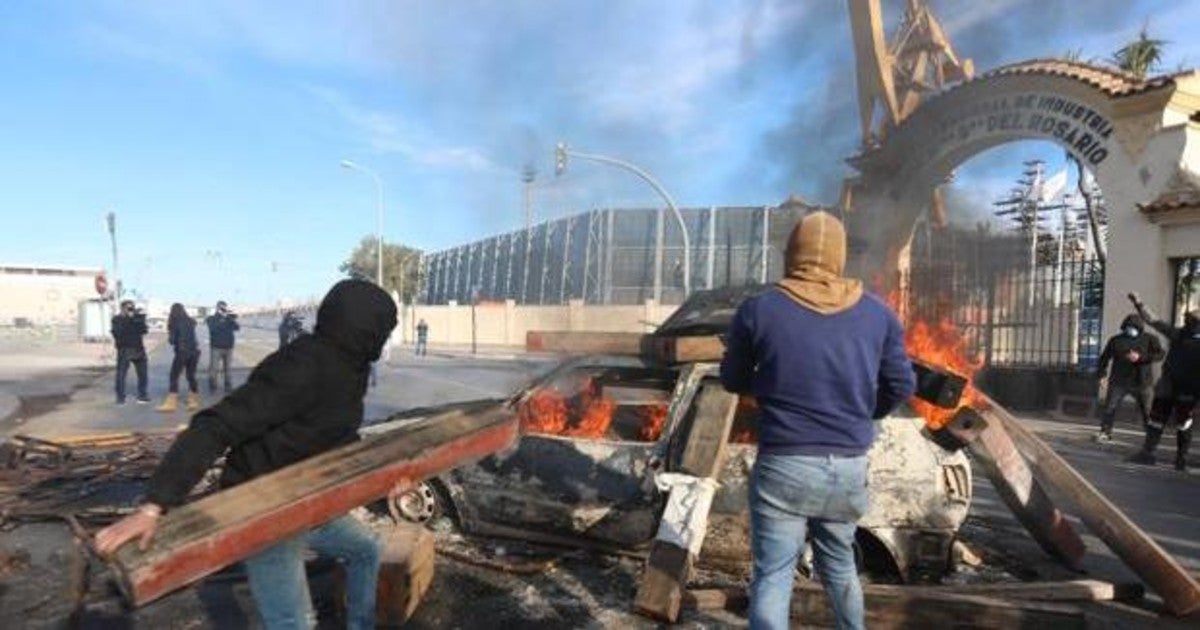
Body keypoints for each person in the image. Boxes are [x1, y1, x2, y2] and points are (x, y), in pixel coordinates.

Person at [95, 279, 407, 630]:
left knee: (365, 551)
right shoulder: (302, 366)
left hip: (311, 493)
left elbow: (337, 435)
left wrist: (380, 485)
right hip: (261, 504)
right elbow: (215, 425)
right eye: (382, 328)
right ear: (364, 327)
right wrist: (153, 506)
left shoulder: (353, 368)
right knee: (295, 620)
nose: (383, 337)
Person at [719, 211, 915, 630]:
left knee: (773, 574)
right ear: (840, 257)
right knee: (841, 567)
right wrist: (866, 411)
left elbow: (732, 379)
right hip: (846, 465)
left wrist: (770, 379)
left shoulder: (758, 310)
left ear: (792, 253)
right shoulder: (878, 315)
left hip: (784, 464)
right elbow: (901, 384)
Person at [1127, 293, 1200, 471]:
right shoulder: (1179, 335)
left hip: (1189, 390)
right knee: (1156, 420)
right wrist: (1139, 304)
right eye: (1189, 319)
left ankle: (1180, 460)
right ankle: (1147, 453)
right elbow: (1154, 321)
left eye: (1193, 320)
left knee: (1184, 425)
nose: (1189, 323)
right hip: (1168, 386)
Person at [1093, 313, 1163, 441]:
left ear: (1140, 327)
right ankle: (1105, 432)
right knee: (1110, 407)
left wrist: (1141, 358)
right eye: (1128, 326)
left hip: (1143, 382)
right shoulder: (1116, 340)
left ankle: (1151, 437)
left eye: (1134, 327)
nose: (1130, 329)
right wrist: (1102, 375)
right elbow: (1104, 358)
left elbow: (1160, 354)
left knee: (1148, 410)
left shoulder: (1150, 339)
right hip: (1119, 381)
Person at [156, 303, 203, 413]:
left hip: (182, 352)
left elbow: (172, 341)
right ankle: (193, 400)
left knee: (174, 375)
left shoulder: (175, 323)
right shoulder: (191, 322)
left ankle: (171, 403)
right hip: (194, 352)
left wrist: (170, 332)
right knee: (191, 375)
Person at [111, 299, 150, 405]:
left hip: (138, 349)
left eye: (132, 307)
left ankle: (142, 395)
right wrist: (129, 319)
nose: (130, 310)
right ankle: (120, 398)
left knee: (143, 374)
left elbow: (144, 330)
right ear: (122, 308)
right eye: (128, 308)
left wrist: (139, 318)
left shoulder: (136, 318)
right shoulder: (117, 319)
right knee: (121, 375)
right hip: (125, 350)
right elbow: (117, 333)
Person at [206, 300, 240, 393]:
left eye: (224, 307)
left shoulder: (229, 318)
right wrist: (222, 318)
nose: (223, 309)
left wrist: (230, 318)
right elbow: (213, 329)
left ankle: (228, 385)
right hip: (216, 347)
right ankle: (213, 385)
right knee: (214, 368)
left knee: (228, 368)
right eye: (221, 307)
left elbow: (237, 327)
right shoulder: (211, 318)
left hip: (229, 347)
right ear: (217, 308)